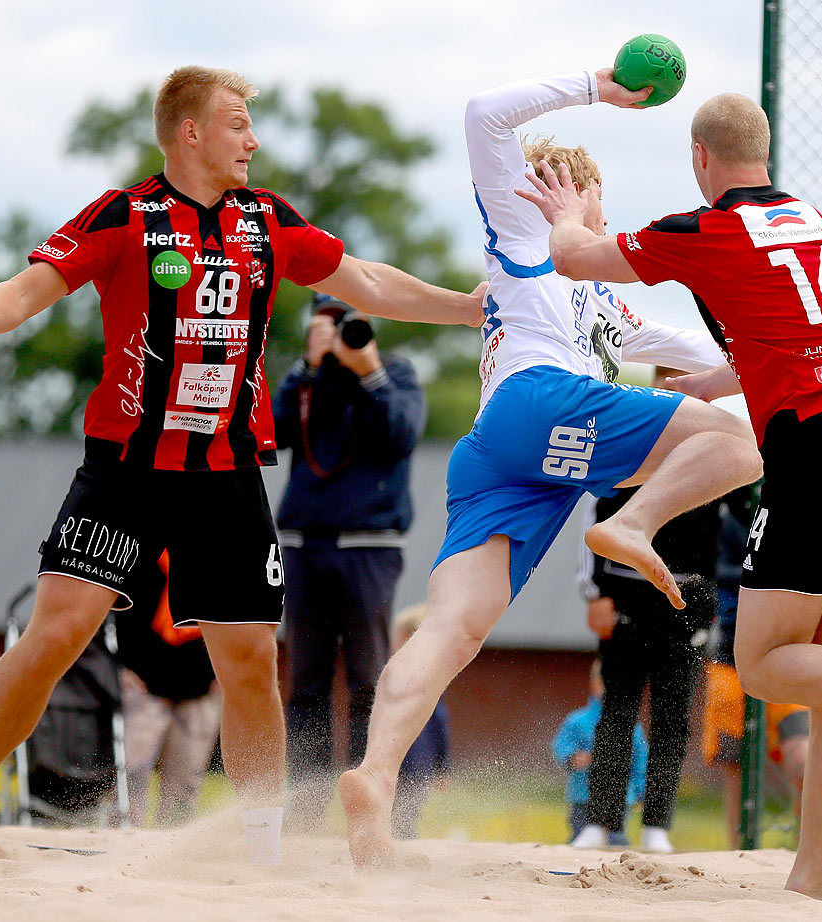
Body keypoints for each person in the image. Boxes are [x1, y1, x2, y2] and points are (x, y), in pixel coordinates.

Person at [0, 65, 483, 865]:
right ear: (190, 132)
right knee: (55, 634)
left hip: (225, 476)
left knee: (251, 662)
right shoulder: (126, 215)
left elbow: (362, 279)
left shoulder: (267, 220)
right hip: (123, 470)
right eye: (237, 126)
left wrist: (464, 306)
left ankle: (260, 850)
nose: (253, 141)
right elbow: (27, 292)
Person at [521, 90, 822, 901]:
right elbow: (798, 340)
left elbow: (576, 257)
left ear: (700, 158)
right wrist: (715, 381)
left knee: (764, 666)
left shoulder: (710, 228)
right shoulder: (818, 224)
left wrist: (571, 209)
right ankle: (814, 879)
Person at [336, 67, 761, 867]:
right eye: (596, 201)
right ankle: (633, 526)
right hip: (538, 405)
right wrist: (602, 86)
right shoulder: (528, 228)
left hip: (507, 457)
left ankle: (375, 779)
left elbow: (719, 359)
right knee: (737, 446)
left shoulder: (611, 308)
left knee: (452, 630)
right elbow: (483, 113)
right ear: (580, 196)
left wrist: (786, 352)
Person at [272, 294, 426, 821]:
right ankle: (307, 809)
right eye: (330, 323)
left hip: (371, 547)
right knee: (306, 682)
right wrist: (306, 369)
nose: (342, 333)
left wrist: (371, 373)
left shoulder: (397, 373)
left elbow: (403, 436)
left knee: (368, 678)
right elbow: (269, 433)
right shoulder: (307, 381)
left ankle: (368, 802)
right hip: (303, 545)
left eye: (351, 322)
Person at [571, 380, 730, 854]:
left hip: (688, 597)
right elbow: (593, 513)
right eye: (674, 380)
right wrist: (594, 590)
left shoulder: (722, 452)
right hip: (627, 593)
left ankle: (658, 823)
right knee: (617, 708)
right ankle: (600, 821)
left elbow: (739, 524)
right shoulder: (632, 440)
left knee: (673, 715)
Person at [698, 504, 808, 847]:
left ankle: (805, 844)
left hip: (788, 657)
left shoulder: (798, 516)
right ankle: (740, 849)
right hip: (732, 658)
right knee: (736, 764)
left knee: (802, 755)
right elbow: (713, 571)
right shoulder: (725, 522)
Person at [116, 551, 223, 827]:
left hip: (202, 686)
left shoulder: (218, 554)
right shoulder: (141, 549)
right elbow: (111, 608)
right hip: (144, 685)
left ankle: (172, 845)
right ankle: (121, 839)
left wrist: (224, 671)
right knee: (129, 772)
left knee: (186, 779)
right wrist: (119, 667)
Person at [552, 659, 648, 846]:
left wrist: (641, 790)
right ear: (595, 685)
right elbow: (561, 744)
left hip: (621, 796)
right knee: (581, 835)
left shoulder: (632, 726)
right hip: (583, 796)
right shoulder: (577, 721)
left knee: (615, 838)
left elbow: (640, 760)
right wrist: (572, 757)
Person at [385, 604, 451, 840]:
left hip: (401, 761)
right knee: (405, 814)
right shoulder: (432, 678)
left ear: (405, 638)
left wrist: (443, 767)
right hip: (419, 764)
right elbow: (441, 725)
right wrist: (443, 767)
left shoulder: (392, 675)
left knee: (396, 813)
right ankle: (402, 840)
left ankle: (397, 842)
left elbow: (439, 723)